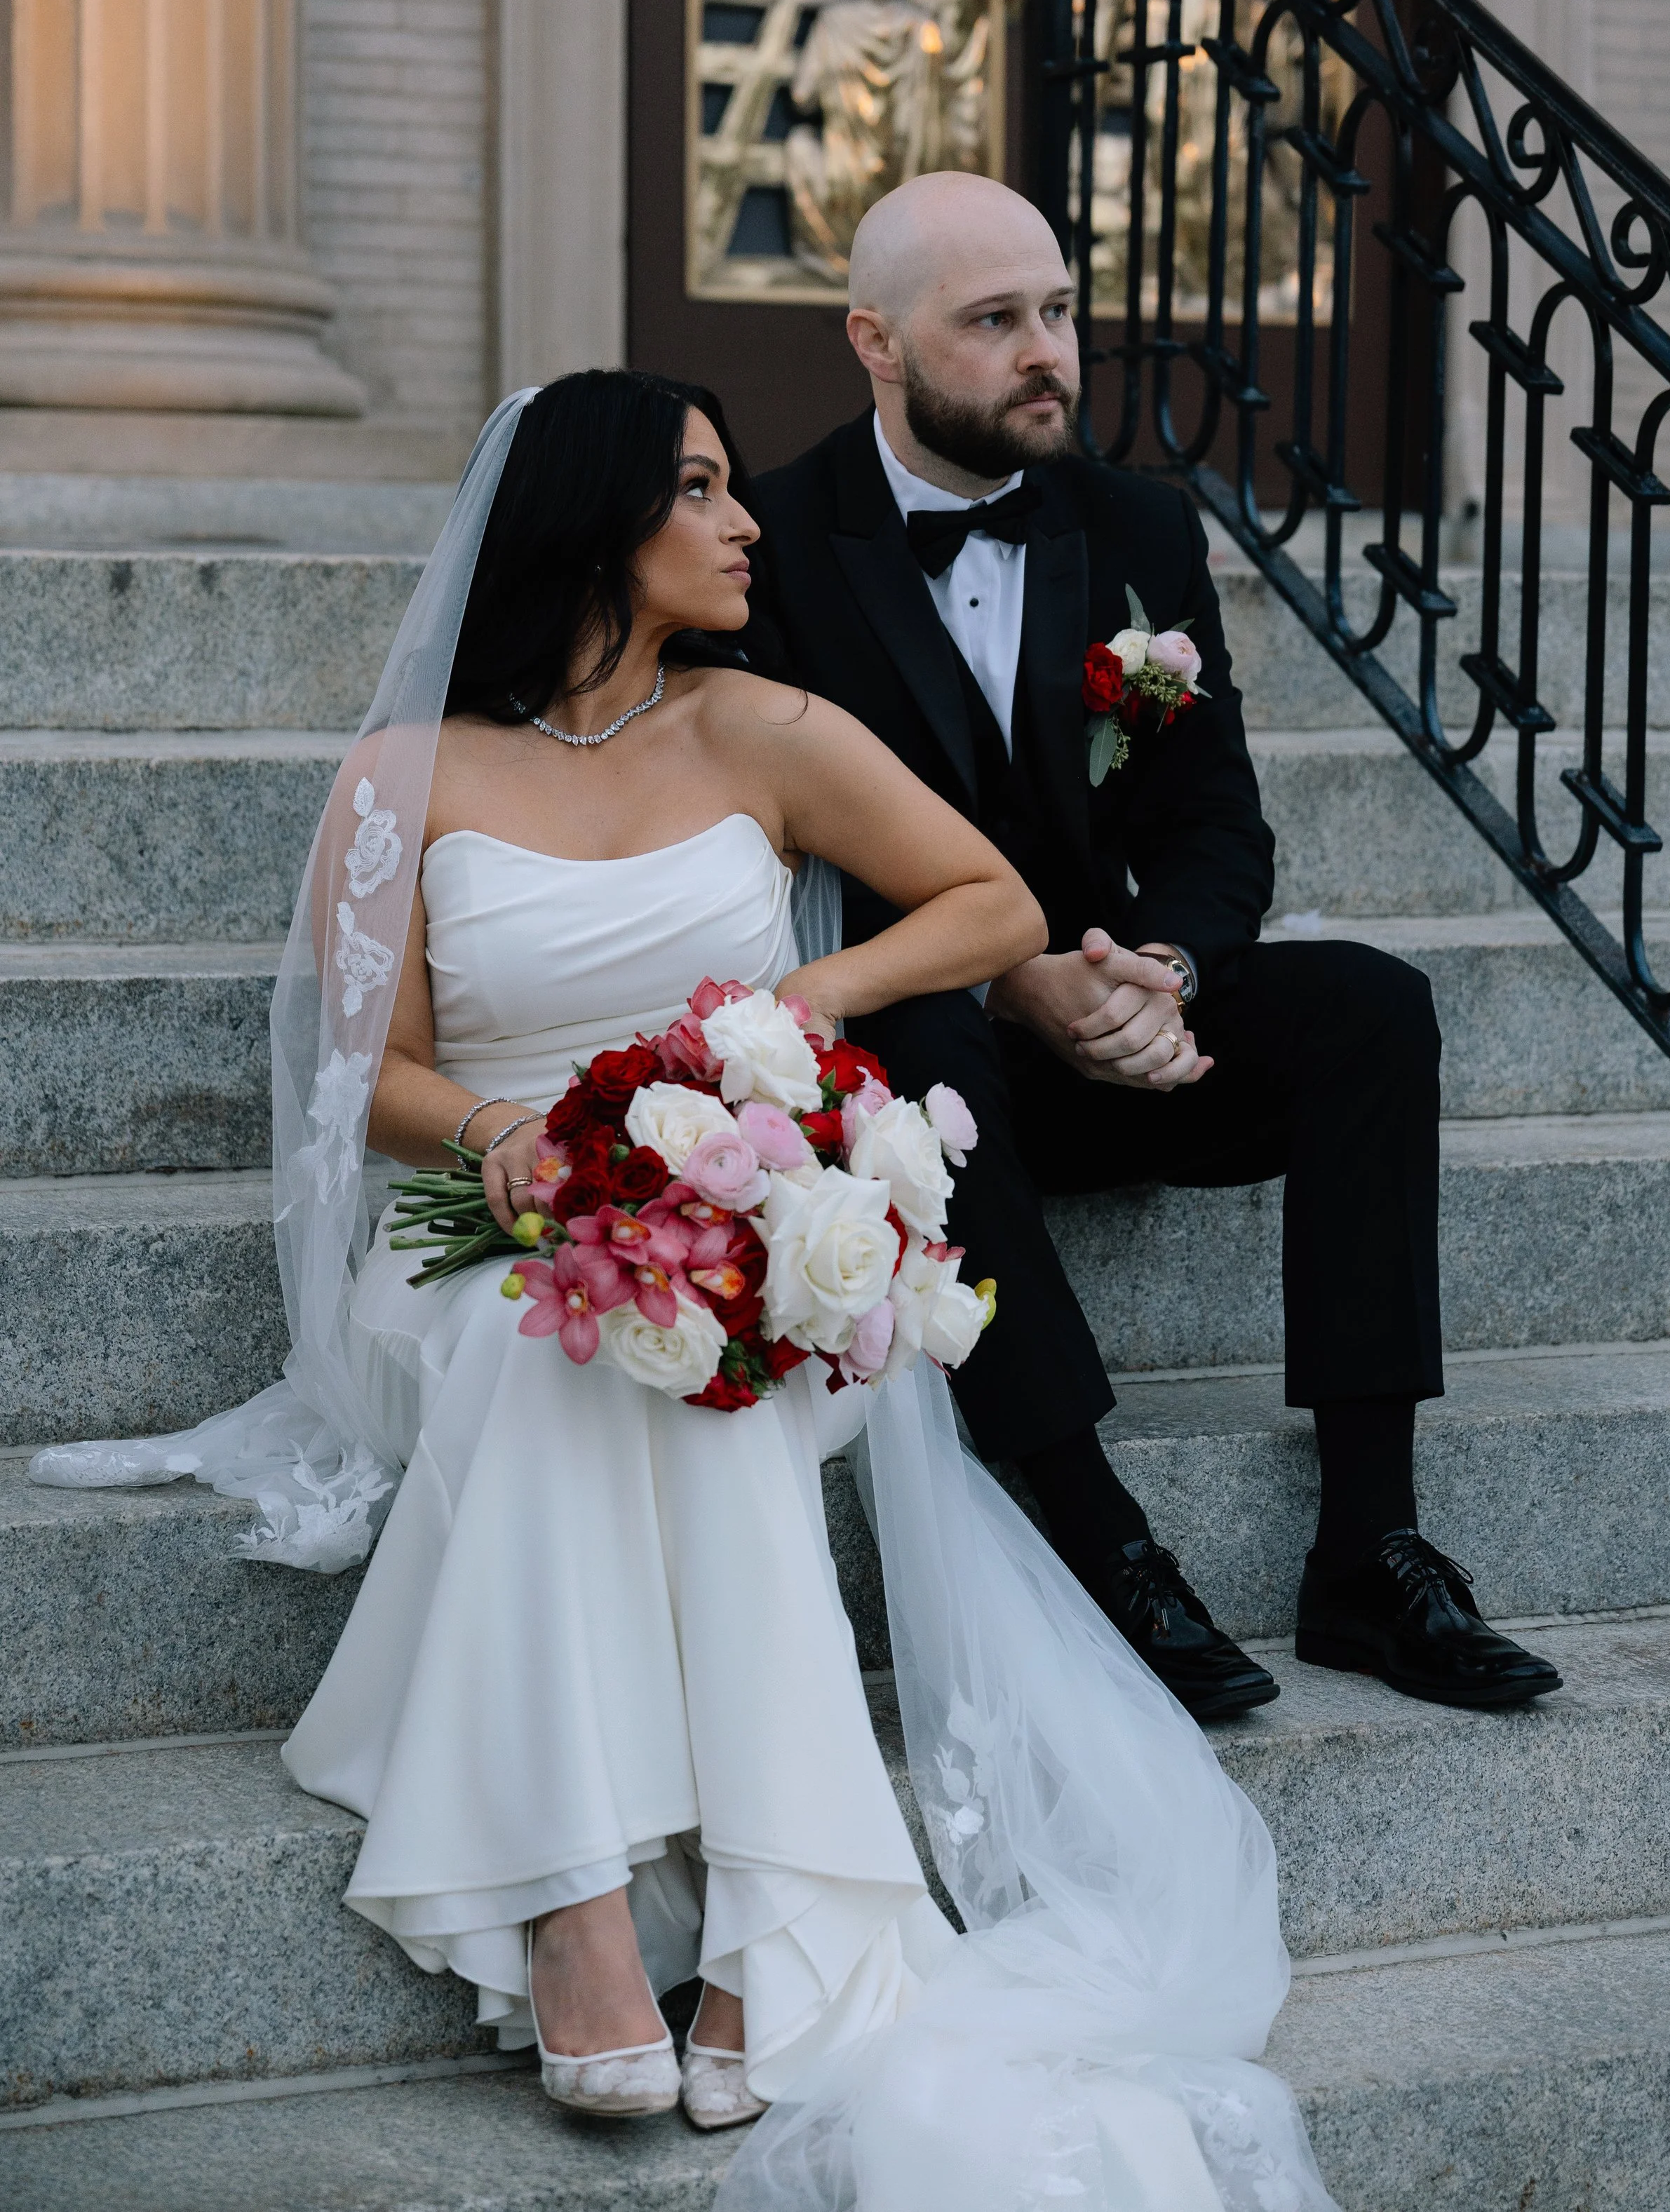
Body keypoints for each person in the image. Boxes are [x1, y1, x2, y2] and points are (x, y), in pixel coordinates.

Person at [33, 370, 1342, 2208]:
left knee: (684, 1330)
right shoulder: (406, 776)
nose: (748, 524)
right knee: (561, 1326)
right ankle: (640, 1910)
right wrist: (505, 1130)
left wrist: (781, 1019)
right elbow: (370, 1067)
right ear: (597, 519)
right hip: (478, 1223)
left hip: (728, 1207)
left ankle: (716, 1917)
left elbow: (978, 899)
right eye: (707, 489)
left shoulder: (760, 729)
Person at [744, 171, 1563, 1722]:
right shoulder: (774, 544)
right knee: (911, 1041)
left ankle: (1367, 1547)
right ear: (873, 340)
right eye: (993, 323)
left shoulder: (1131, 529)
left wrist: (1160, 977)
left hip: (1116, 1025)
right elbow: (771, 864)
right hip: (920, 1050)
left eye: (1057, 311)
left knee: (1370, 1011)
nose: (1047, 351)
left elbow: (1212, 827)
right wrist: (1009, 977)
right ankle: (1097, 1534)